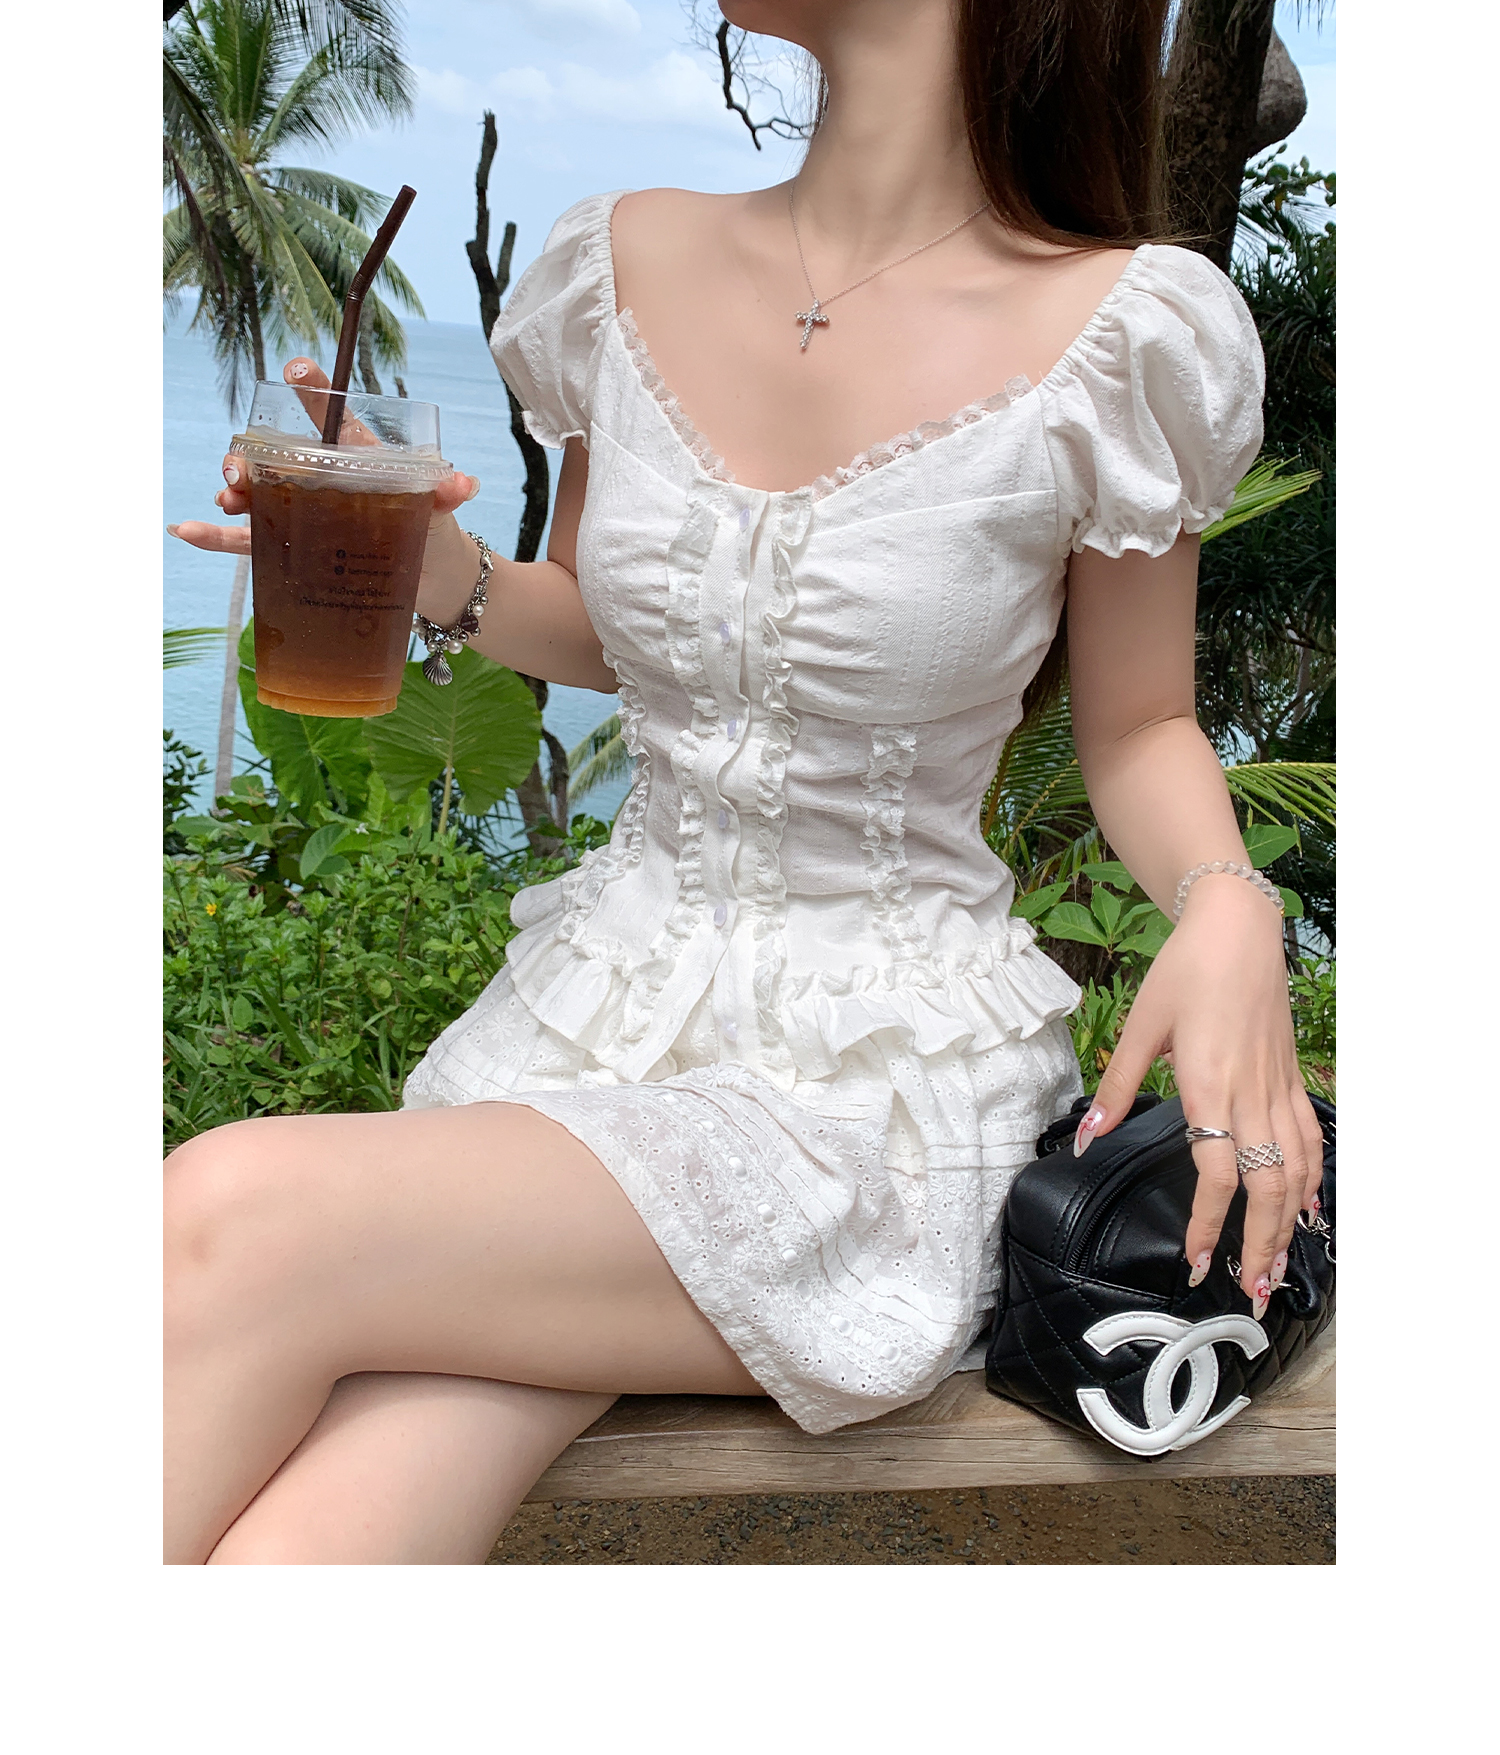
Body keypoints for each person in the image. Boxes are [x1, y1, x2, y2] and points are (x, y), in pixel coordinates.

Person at [166, 0, 1324, 1565]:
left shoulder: (1124, 334)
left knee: (227, 1214)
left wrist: (1231, 903)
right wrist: (439, 572)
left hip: (865, 1106)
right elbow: (606, 626)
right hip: (579, 1038)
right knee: (314, 1543)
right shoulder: (618, 264)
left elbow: (1139, 728)